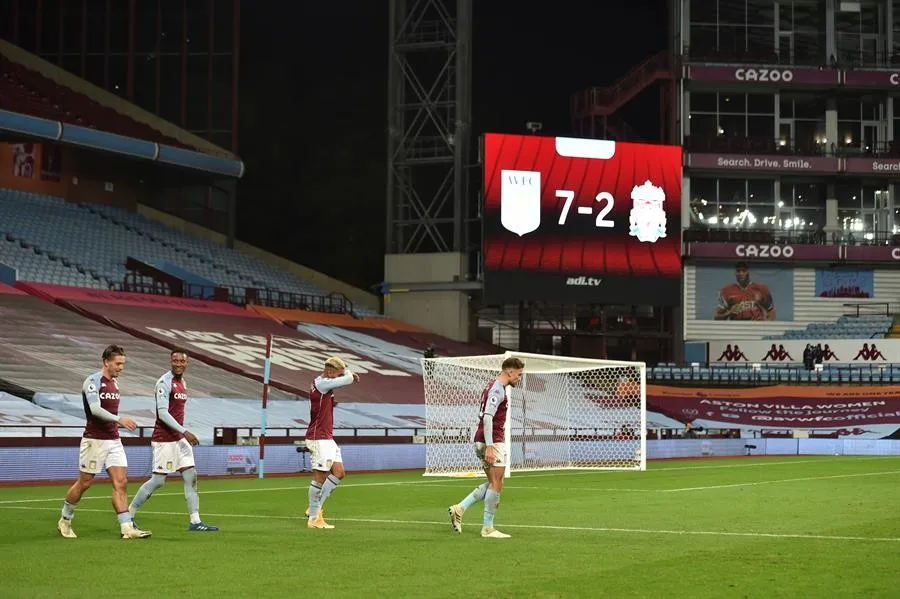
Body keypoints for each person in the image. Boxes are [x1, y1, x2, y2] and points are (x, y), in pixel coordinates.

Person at [57, 345, 151, 540]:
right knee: (85, 483)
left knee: (121, 482)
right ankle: (65, 520)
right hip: (94, 441)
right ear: (106, 362)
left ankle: (127, 528)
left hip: (113, 440)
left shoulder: (115, 384)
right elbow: (95, 409)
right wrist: (119, 419)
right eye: (118, 364)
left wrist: (117, 424)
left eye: (123, 364)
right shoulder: (92, 382)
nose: (121, 368)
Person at [128, 348, 218, 531]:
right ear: (171, 362)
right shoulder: (164, 383)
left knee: (191, 477)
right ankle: (128, 515)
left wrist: (182, 434)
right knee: (158, 481)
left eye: (181, 361)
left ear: (187, 363)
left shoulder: (183, 382)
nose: (178, 364)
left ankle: (195, 522)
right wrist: (185, 431)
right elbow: (162, 413)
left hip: (179, 440)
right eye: (175, 361)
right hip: (164, 439)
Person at [448, 356, 525, 539]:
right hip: (492, 440)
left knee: (494, 483)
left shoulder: (491, 385)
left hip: (482, 439)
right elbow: (488, 417)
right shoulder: (497, 389)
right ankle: (488, 528)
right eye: (519, 374)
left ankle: (460, 508)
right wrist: (490, 446)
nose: (519, 378)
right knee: (497, 484)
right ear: (509, 371)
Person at [305, 356, 360, 529]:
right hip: (318, 437)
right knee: (320, 476)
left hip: (327, 437)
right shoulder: (321, 384)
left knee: (339, 472)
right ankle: (314, 518)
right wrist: (348, 371)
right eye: (337, 374)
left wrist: (345, 372)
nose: (338, 378)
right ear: (329, 371)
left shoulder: (324, 383)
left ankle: (314, 508)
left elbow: (347, 379)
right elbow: (349, 378)